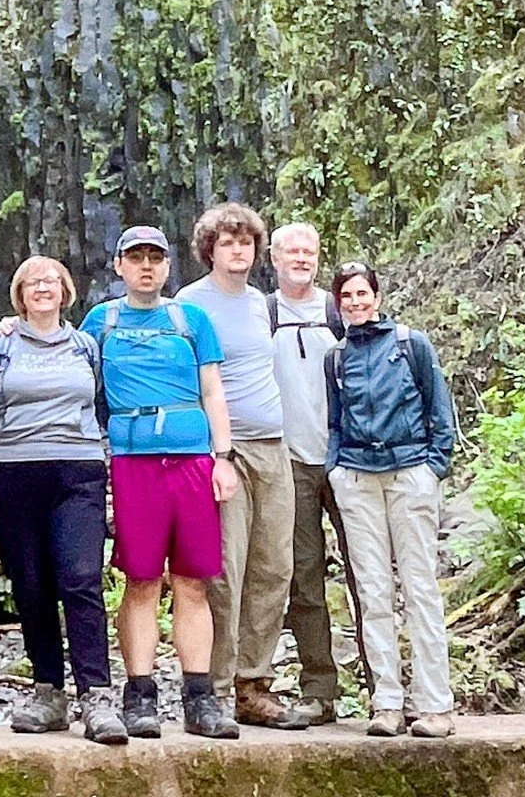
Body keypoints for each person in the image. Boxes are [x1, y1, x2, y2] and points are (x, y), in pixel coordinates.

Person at [80, 225, 240, 740]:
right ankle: (140, 695)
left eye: (155, 258)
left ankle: (200, 697)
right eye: (136, 258)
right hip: (132, 462)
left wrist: (224, 457)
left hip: (192, 457)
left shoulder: (190, 319)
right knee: (142, 578)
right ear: (119, 266)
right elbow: (67, 368)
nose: (146, 266)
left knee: (194, 580)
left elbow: (213, 390)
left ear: (169, 267)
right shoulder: (100, 322)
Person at [0, 257, 127, 745]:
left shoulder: (85, 345)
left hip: (77, 470)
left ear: (66, 291)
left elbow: (102, 406)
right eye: (33, 282)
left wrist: (108, 468)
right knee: (32, 585)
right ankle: (49, 692)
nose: (44, 288)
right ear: (19, 294)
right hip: (14, 472)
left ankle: (98, 695)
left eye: (52, 282)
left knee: (80, 578)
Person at [176, 203, 306, 729]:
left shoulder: (261, 304)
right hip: (219, 452)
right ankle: (219, 686)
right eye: (228, 242)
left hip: (274, 446)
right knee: (224, 569)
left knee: (274, 565)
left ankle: (256, 683)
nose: (238, 250)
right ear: (210, 248)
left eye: (246, 242)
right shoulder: (188, 304)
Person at [326, 261, 456, 739]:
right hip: (358, 479)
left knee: (420, 588)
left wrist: (432, 465)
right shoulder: (335, 358)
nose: (356, 303)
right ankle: (386, 702)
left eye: (363, 294)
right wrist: (334, 468)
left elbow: (440, 407)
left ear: (376, 297)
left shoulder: (409, 344)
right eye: (347, 297)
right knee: (373, 591)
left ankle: (436, 705)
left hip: (409, 473)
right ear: (337, 305)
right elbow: (335, 420)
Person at [268, 222, 369, 724]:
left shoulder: (342, 311)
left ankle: (385, 688)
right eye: (291, 250)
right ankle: (319, 690)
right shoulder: (261, 313)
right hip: (289, 463)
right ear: (274, 257)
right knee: (303, 581)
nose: (300, 258)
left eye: (309, 251)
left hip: (348, 460)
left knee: (368, 575)